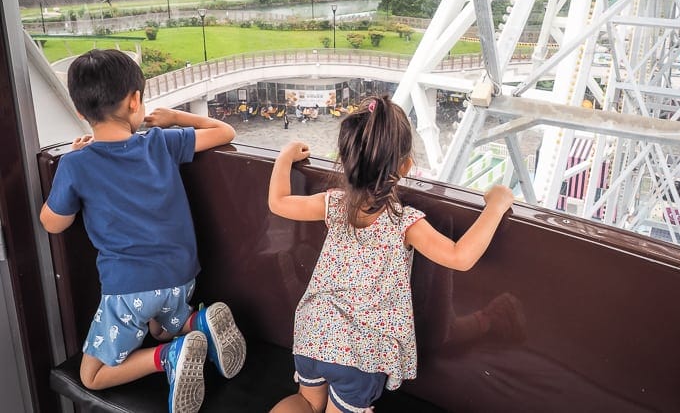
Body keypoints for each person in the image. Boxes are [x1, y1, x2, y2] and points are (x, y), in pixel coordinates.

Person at [268, 95, 514, 413]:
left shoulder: (333, 203)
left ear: (345, 160)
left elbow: (278, 202)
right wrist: (497, 204)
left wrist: (285, 157)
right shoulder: (405, 222)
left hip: (314, 332)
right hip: (359, 354)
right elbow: (460, 256)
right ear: (405, 166)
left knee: (305, 401)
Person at [39, 49, 247, 413]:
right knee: (159, 325)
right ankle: (194, 322)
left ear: (79, 112)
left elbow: (52, 223)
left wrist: (71, 163)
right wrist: (173, 117)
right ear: (135, 100)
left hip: (129, 290)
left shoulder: (75, 165)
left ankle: (169, 356)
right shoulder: (160, 142)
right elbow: (225, 131)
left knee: (93, 374)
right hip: (181, 278)